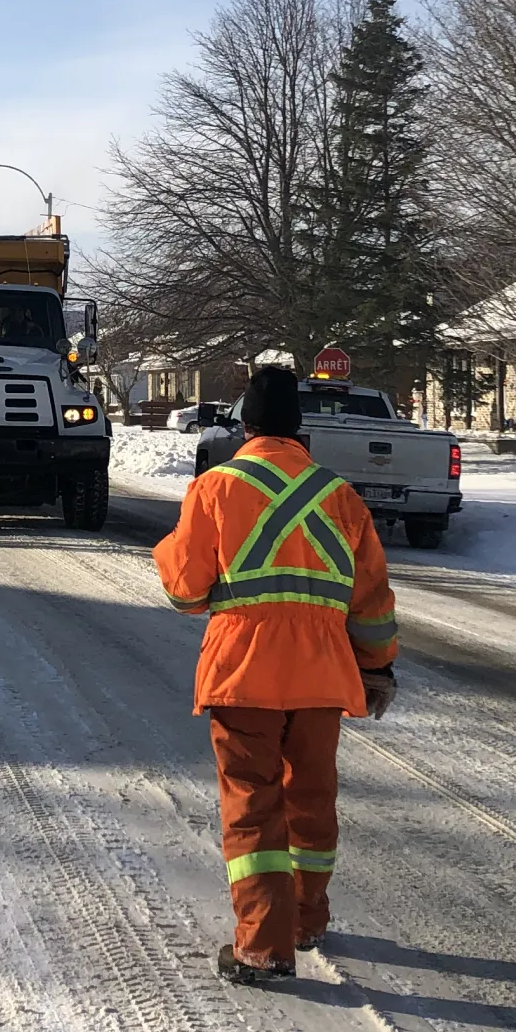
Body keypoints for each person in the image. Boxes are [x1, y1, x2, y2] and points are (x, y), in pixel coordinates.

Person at [154, 363, 399, 986]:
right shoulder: (338, 496)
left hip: (244, 674)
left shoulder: (216, 487)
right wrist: (378, 669)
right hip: (323, 675)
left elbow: (187, 593)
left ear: (245, 426)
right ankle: (307, 920)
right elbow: (371, 601)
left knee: (253, 805)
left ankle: (262, 945)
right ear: (299, 430)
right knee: (311, 798)